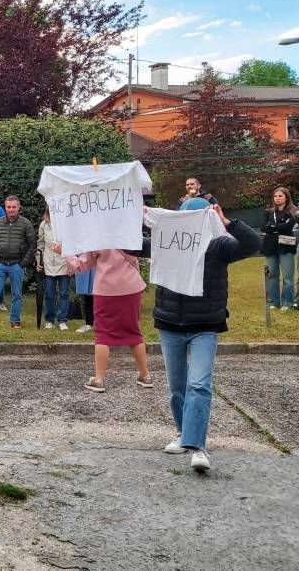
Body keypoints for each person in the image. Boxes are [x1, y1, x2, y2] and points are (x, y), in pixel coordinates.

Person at [137, 199, 260, 472]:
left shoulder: (220, 243)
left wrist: (228, 223)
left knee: (199, 385)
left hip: (205, 325)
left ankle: (197, 446)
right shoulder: (166, 241)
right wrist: (133, 217)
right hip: (169, 323)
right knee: (178, 388)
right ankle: (184, 435)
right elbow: (132, 245)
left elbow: (253, 245)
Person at [63, 246, 152, 393]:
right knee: (134, 331)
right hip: (131, 286)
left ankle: (99, 379)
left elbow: (82, 265)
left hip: (106, 289)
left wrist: (65, 253)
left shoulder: (98, 238)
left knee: (103, 333)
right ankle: (145, 375)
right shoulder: (127, 234)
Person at [0, 196, 36, 330]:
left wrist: (24, 263)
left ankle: (15, 321)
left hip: (17, 265)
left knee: (17, 295)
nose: (11, 209)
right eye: (8, 207)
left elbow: (32, 244)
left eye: (13, 207)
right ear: (5, 207)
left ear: (18, 207)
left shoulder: (26, 224)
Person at [261, 186, 297, 311]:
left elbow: (288, 227)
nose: (277, 198)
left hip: (286, 246)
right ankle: (274, 302)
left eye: (280, 196)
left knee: (288, 276)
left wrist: (273, 226)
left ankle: (287, 302)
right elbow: (263, 228)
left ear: (286, 197)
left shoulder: (292, 212)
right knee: (273, 275)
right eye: (275, 196)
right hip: (270, 246)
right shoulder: (268, 212)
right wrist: (278, 226)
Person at [36, 209, 70, 330]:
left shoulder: (68, 223)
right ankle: (49, 320)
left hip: (64, 263)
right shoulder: (44, 225)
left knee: (64, 294)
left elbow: (72, 244)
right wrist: (39, 260)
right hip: (48, 263)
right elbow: (40, 244)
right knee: (49, 294)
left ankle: (62, 320)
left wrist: (71, 263)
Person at [74, 269, 95, 334]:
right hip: (87, 267)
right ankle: (89, 323)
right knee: (88, 292)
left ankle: (102, 324)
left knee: (100, 295)